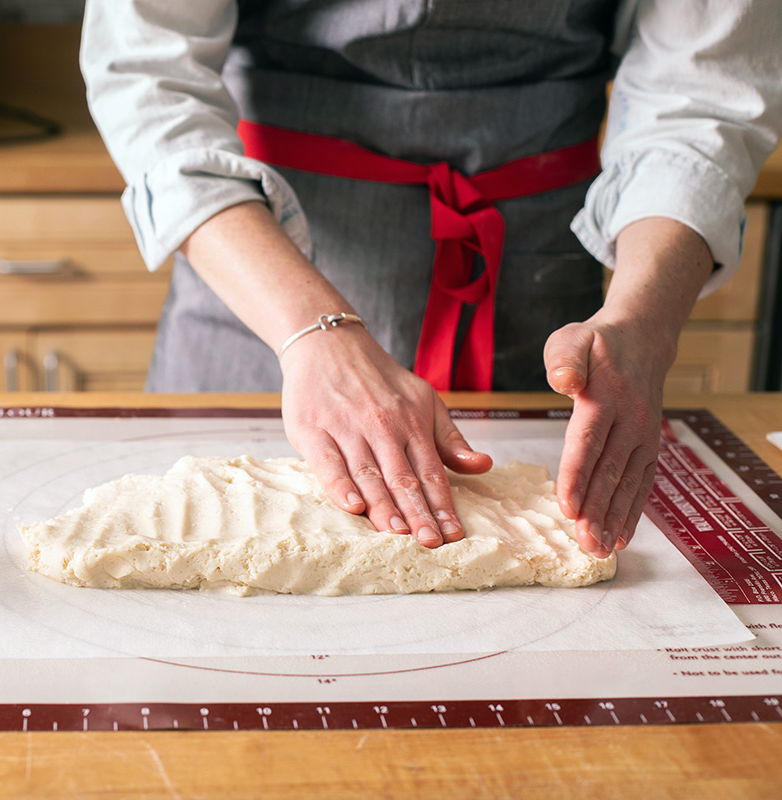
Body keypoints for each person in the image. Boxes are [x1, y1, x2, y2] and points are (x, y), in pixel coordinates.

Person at [79, 0, 782, 559]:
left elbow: (702, 95)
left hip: (533, 289)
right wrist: (310, 331)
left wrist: (644, 322)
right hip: (257, 295)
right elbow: (148, 74)